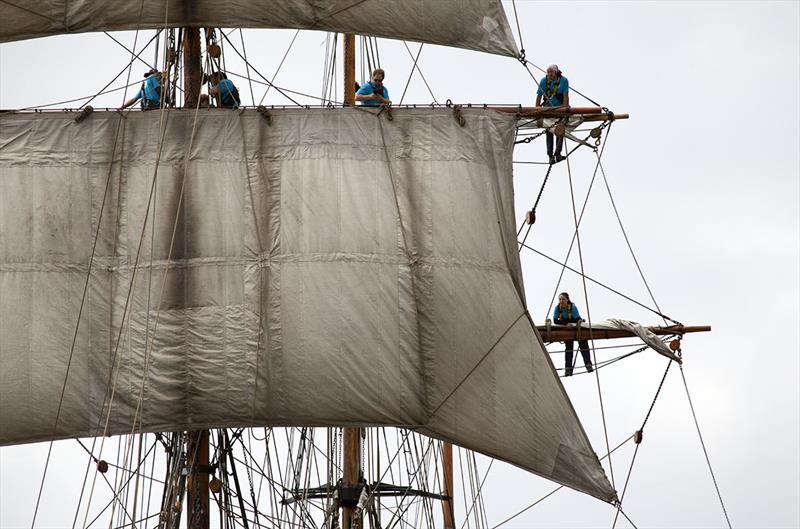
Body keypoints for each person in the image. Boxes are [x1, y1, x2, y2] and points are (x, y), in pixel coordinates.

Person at [535, 64, 570, 165]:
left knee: (560, 129)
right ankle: (550, 156)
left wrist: (564, 109)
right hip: (548, 107)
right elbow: (539, 96)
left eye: (551, 72)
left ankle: (558, 153)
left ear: (556, 72)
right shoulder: (543, 81)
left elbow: (565, 96)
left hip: (559, 107)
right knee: (549, 130)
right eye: (548, 72)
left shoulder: (563, 81)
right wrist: (537, 110)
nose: (549, 74)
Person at [553, 292, 593, 376]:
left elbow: (577, 319)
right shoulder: (557, 308)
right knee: (569, 349)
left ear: (567, 299)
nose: (561, 301)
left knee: (583, 345)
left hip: (577, 327)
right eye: (560, 299)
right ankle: (568, 369)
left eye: (563, 299)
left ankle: (588, 364)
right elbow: (555, 320)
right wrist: (566, 323)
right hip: (568, 329)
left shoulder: (573, 307)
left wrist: (566, 323)